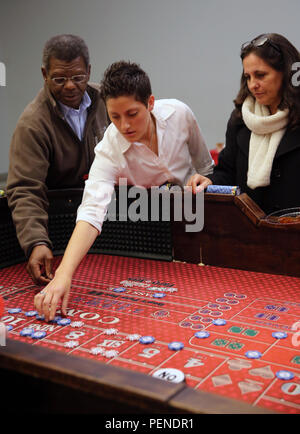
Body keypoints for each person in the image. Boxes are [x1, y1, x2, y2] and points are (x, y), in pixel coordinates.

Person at [34, 60, 214, 321]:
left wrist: (207, 181)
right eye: (114, 116)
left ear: (150, 103)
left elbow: (206, 167)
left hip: (192, 221)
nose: (124, 126)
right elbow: (92, 212)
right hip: (141, 224)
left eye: (132, 114)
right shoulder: (110, 149)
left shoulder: (180, 114)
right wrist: (63, 275)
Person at [6, 34, 108, 285]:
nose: (70, 86)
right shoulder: (32, 124)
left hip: (109, 219)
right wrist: (36, 242)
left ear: (89, 71)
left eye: (78, 77)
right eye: (59, 79)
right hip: (60, 230)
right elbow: (25, 189)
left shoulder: (108, 101)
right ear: (44, 74)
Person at [188, 33, 300, 214]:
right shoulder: (240, 120)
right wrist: (210, 181)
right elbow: (227, 172)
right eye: (248, 77)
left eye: (260, 75)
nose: (253, 84)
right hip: (250, 234)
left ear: (287, 73)